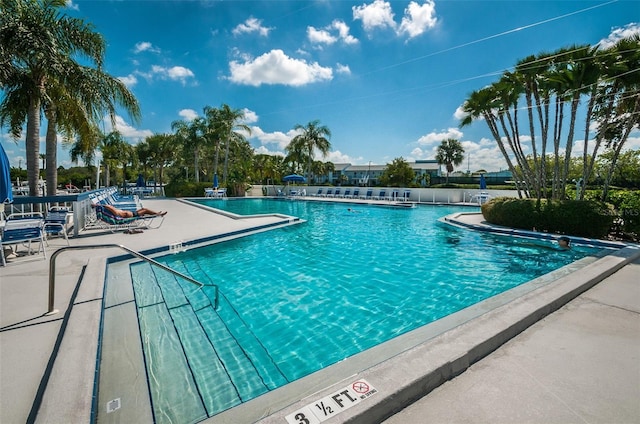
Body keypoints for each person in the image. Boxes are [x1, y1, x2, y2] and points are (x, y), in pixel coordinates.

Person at [97, 203, 167, 218]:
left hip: (133, 213)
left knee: (144, 209)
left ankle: (157, 213)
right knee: (146, 210)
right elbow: (109, 207)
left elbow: (109, 207)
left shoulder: (114, 210)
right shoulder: (115, 212)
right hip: (133, 215)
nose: (111, 206)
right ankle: (158, 214)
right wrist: (99, 205)